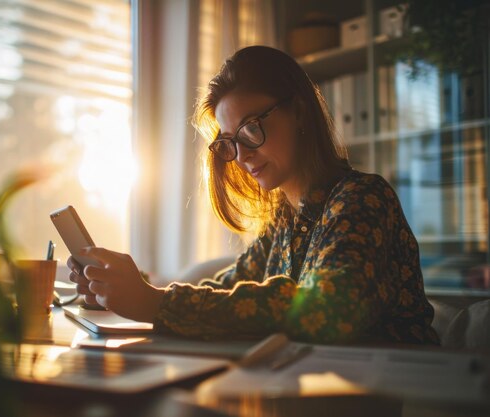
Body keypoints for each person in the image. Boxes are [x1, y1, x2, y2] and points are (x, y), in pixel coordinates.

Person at [68, 45, 439, 345]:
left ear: (299, 112)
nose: (241, 156)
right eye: (230, 142)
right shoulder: (286, 217)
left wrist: (157, 302)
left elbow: (326, 308)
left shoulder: (361, 198)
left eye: (250, 129)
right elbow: (229, 287)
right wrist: (122, 290)